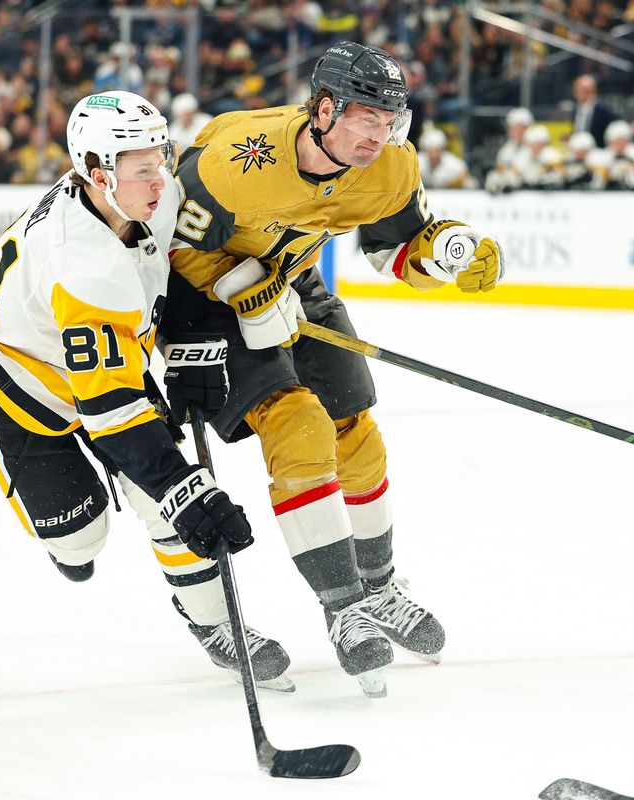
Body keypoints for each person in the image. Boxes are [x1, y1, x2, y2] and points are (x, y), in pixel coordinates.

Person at [160, 42, 503, 697]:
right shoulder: (235, 160)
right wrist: (241, 284)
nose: (381, 136)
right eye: (367, 119)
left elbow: (396, 249)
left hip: (295, 284)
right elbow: (170, 243)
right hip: (205, 299)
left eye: (391, 121)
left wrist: (451, 255)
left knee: (357, 434)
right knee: (301, 427)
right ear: (324, 109)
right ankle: (344, 607)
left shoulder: (390, 165)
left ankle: (378, 587)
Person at [0, 91, 293, 691]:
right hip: (12, 381)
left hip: (101, 362)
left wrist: (195, 341)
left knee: (160, 495)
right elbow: (111, 409)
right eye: (143, 169)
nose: (162, 178)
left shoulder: (145, 196)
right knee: (84, 542)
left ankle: (216, 625)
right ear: (100, 175)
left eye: (161, 157)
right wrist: (187, 490)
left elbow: (177, 274)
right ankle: (72, 536)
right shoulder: (82, 262)